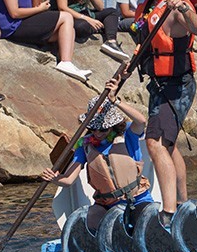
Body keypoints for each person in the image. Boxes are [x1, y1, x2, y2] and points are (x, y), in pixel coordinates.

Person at [132, 0, 197, 225]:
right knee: (169, 145)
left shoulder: (176, 6)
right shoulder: (148, 6)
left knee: (155, 142)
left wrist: (185, 9)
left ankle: (169, 212)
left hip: (178, 85)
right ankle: (183, 203)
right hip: (158, 84)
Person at [41, 78, 152, 232]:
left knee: (144, 223)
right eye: (93, 129)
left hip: (137, 198)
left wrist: (116, 101)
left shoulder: (127, 134)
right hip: (107, 203)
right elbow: (68, 179)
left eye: (103, 129)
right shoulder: (85, 146)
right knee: (92, 221)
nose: (98, 133)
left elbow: (141, 121)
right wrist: (55, 179)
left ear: (113, 126)